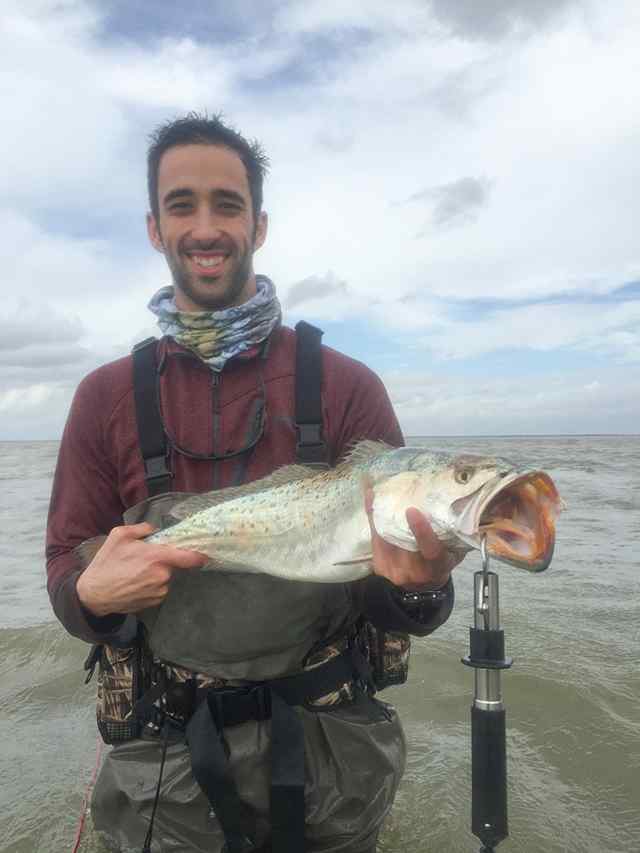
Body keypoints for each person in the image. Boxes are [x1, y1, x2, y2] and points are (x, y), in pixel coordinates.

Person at [46, 113, 457, 853]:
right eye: (183, 204)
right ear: (153, 227)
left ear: (258, 225)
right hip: (167, 765)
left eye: (227, 205)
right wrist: (93, 597)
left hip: (333, 751)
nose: (206, 227)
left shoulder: (347, 386)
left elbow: (406, 610)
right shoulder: (103, 396)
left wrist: (420, 585)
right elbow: (63, 573)